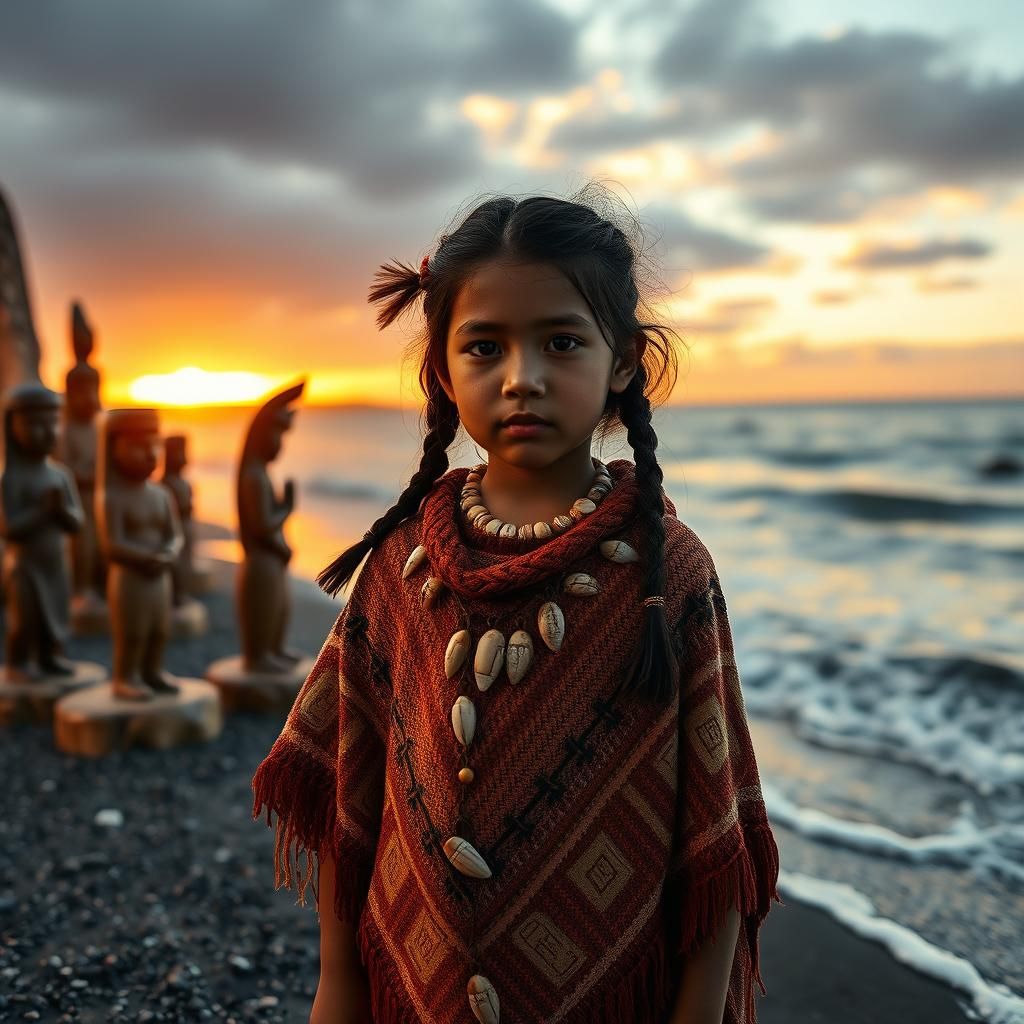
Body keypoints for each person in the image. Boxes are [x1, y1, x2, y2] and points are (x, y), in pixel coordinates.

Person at [251, 186, 781, 1024]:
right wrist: (339, 983)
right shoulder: (401, 565)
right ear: (443, 369)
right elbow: (354, 795)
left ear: (621, 360)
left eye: (561, 341)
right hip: (412, 986)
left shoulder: (665, 574)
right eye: (484, 347)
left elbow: (708, 830)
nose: (522, 378)